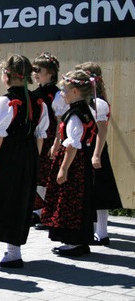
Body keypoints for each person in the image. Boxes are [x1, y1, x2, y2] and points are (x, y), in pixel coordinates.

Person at [0, 54, 48, 268]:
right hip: (29, 154)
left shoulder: (3, 102)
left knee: (6, 200)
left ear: (6, 75)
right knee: (20, 200)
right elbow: (40, 136)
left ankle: (12, 254)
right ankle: (12, 250)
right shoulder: (38, 102)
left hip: (8, 156)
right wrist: (34, 160)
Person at [41, 70, 98, 257]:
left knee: (70, 199)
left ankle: (75, 241)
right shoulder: (84, 110)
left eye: (64, 90)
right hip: (81, 162)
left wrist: (63, 169)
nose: (62, 94)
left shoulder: (75, 115)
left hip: (74, 164)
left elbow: (73, 145)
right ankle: (77, 240)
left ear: (74, 91)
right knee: (79, 200)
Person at [74, 62, 122, 246]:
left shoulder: (98, 104)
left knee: (101, 189)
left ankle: (102, 232)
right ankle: (94, 230)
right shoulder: (87, 102)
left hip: (96, 148)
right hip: (86, 147)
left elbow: (102, 132)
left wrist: (96, 154)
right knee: (91, 189)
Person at [30, 52, 61, 229]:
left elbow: (60, 121)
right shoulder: (35, 93)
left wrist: (56, 143)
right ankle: (39, 211)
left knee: (47, 176)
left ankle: (48, 213)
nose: (34, 73)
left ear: (50, 72)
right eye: (33, 70)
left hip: (50, 139)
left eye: (38, 70)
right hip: (37, 137)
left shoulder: (56, 95)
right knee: (37, 175)